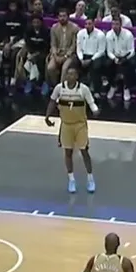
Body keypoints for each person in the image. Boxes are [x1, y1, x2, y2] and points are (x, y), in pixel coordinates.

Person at [45, 66, 100, 194]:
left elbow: (91, 103)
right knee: (68, 152)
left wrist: (95, 110)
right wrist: (47, 116)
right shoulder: (59, 88)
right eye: (68, 74)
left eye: (72, 74)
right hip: (66, 125)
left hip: (80, 125)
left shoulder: (83, 89)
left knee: (84, 151)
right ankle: (71, 179)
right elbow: (52, 101)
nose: (70, 76)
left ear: (77, 76)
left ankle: (90, 178)